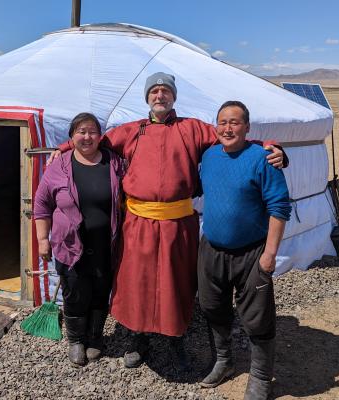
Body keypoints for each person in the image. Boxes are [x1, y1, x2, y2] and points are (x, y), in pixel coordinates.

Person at [51, 72, 287, 371]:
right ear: (147, 97)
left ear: (174, 96)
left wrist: (272, 146)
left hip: (178, 224)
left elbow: (232, 138)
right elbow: (92, 141)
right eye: (154, 91)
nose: (159, 96)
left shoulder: (192, 128)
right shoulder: (131, 131)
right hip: (138, 223)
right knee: (137, 281)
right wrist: (62, 148)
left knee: (176, 282)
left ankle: (176, 339)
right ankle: (138, 338)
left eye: (165, 91)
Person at [197, 101, 291, 399]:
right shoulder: (209, 155)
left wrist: (270, 253)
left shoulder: (263, 158)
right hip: (211, 249)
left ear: (247, 127)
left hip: (253, 252)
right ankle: (224, 362)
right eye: (223, 122)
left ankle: (261, 377)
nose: (228, 128)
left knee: (258, 315)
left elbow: (279, 207)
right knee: (212, 306)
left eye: (235, 122)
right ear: (215, 127)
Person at [34, 113, 125, 367]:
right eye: (81, 132)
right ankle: (76, 341)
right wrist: (43, 239)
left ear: (100, 136)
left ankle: (95, 338)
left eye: (92, 132)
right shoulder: (58, 166)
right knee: (74, 293)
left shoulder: (114, 163)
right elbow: (42, 205)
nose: (87, 137)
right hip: (69, 245)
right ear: (71, 136)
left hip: (106, 244)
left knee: (100, 292)